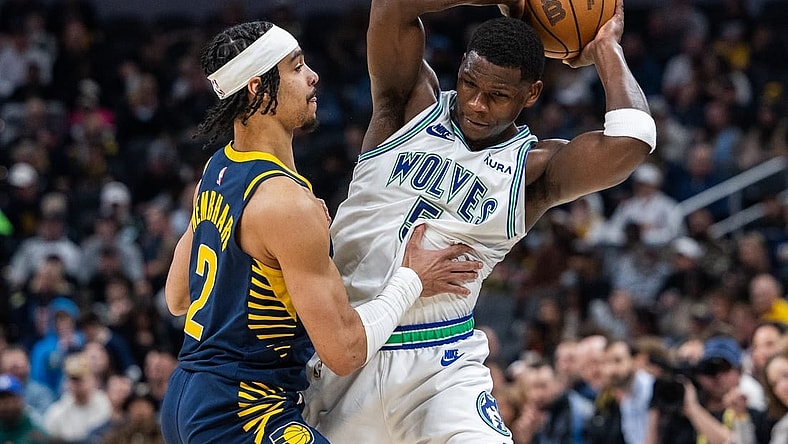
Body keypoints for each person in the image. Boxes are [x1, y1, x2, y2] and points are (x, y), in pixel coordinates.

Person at [303, 0, 657, 441]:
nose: (476, 104)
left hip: (440, 366)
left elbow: (633, 141)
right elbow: (391, 8)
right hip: (344, 347)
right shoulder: (407, 105)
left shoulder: (535, 168)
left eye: (498, 96)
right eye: (469, 83)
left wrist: (605, 47)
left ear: (531, 94)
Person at [158, 20, 480, 444]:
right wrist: (412, 279)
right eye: (296, 68)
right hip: (243, 413)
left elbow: (178, 298)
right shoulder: (286, 204)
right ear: (257, 89)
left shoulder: (218, 168)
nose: (313, 76)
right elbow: (345, 351)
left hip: (185, 398)